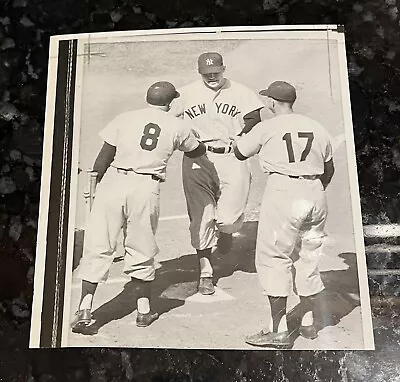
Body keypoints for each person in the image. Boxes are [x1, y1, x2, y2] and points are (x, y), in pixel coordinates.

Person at [71, 81, 206, 333]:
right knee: (141, 246)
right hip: (145, 187)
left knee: (99, 245)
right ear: (171, 102)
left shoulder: (125, 117)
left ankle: (85, 309)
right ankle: (143, 312)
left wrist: (100, 188)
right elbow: (197, 151)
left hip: (113, 181)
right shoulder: (178, 125)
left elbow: (104, 157)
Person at [233, 81, 335, 348]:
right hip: (315, 191)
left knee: (274, 258)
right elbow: (329, 169)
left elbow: (240, 152)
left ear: (272, 102)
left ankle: (277, 331)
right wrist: (311, 190)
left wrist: (239, 134)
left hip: (284, 191)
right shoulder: (317, 126)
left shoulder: (267, 127)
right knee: (308, 255)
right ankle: (309, 323)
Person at [170, 52, 265, 295]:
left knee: (228, 219)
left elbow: (254, 117)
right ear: (199, 72)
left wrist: (243, 137)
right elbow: (167, 120)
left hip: (232, 156)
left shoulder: (241, 91)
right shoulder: (184, 93)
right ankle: (205, 271)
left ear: (224, 68)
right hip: (197, 156)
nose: (212, 77)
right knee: (201, 218)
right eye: (207, 74)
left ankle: (226, 232)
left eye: (216, 72)